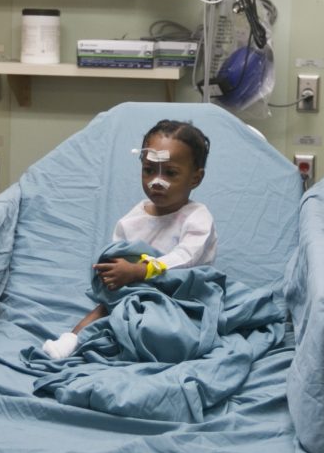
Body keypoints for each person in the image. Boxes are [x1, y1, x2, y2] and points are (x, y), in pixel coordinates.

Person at [42, 120, 216, 359]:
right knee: (105, 308)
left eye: (171, 173)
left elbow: (186, 257)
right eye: (149, 170)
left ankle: (141, 343)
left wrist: (139, 271)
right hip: (136, 293)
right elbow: (119, 251)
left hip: (182, 297)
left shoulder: (197, 218)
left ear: (195, 178)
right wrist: (111, 271)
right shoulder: (133, 219)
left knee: (162, 326)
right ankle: (72, 340)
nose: (157, 180)